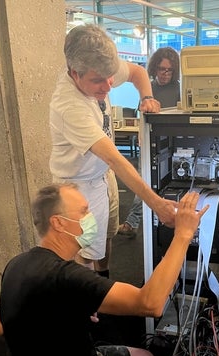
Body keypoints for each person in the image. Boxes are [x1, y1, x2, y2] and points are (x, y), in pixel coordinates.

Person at [0, 183, 208, 356]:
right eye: (84, 211)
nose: (91, 217)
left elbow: (2, 326)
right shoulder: (68, 277)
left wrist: (68, 310)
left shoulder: (18, 264)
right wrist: (183, 235)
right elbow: (151, 303)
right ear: (59, 223)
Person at [49, 25, 177, 278]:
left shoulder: (100, 67)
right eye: (98, 80)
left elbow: (137, 72)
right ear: (75, 74)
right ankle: (87, 302)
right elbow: (116, 159)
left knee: (106, 236)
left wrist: (146, 98)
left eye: (110, 77)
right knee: (83, 250)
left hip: (102, 175)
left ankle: (102, 280)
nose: (108, 86)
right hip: (78, 184)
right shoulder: (69, 106)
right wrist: (157, 205)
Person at [118, 47, 181, 238]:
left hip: (174, 143)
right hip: (151, 142)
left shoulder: (179, 89)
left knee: (173, 181)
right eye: (161, 69)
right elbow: (142, 117)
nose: (165, 74)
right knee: (143, 180)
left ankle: (174, 220)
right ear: (154, 68)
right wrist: (140, 137)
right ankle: (132, 222)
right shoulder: (149, 88)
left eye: (169, 70)